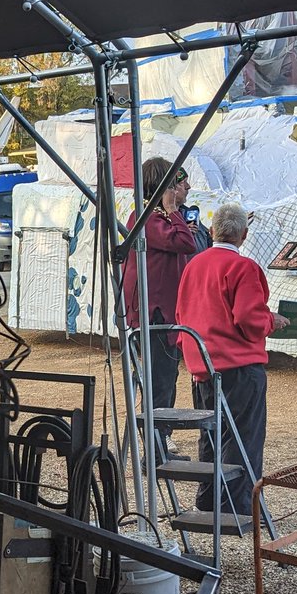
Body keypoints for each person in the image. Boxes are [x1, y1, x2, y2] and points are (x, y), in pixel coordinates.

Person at [175, 203, 289, 514]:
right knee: (243, 438)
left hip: (202, 366)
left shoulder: (193, 266)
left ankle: (209, 500)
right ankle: (237, 507)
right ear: (244, 235)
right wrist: (270, 321)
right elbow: (249, 319)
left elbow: (181, 313)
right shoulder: (244, 268)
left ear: (211, 231)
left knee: (211, 436)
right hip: (238, 367)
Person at [122, 159, 198, 438]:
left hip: (163, 311)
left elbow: (188, 246)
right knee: (160, 380)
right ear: (168, 188)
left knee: (166, 376)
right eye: (181, 183)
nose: (187, 187)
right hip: (155, 314)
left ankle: (160, 439)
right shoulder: (149, 219)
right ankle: (156, 445)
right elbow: (184, 243)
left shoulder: (153, 219)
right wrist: (171, 209)